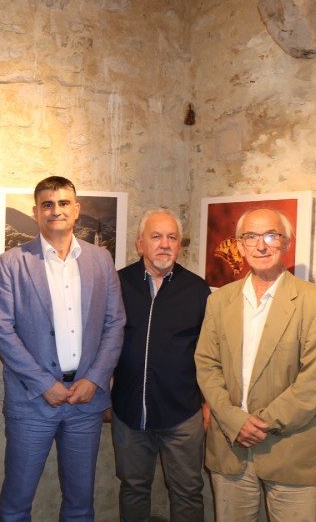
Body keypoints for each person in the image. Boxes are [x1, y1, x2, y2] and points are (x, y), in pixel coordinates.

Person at [0, 175, 126, 521]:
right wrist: (43, 384)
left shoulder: (101, 259)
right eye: (47, 204)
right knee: (16, 502)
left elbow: (114, 324)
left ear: (76, 209)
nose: (56, 210)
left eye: (63, 203)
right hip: (32, 401)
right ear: (36, 211)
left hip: (85, 400)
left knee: (80, 503)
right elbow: (3, 332)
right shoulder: (11, 262)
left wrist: (94, 379)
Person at [195, 208, 316, 521]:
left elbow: (315, 383)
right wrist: (235, 421)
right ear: (240, 245)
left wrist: (259, 424)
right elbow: (207, 364)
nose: (261, 245)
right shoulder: (219, 300)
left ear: (286, 243)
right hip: (230, 448)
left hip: (291, 450)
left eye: (271, 235)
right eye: (251, 237)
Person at [109, 208, 211, 522]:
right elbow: (101, 342)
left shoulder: (197, 289)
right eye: (156, 237)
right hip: (129, 411)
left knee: (188, 491)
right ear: (140, 243)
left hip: (183, 414)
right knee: (133, 488)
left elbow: (211, 353)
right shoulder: (117, 284)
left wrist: (208, 403)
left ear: (180, 245)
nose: (165, 244)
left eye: (172, 238)